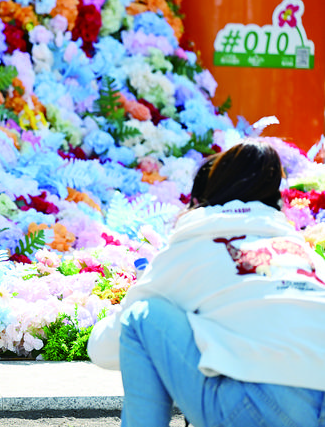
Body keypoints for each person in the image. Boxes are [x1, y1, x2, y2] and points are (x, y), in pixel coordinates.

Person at [87, 140, 325, 426]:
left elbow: (103, 349)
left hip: (257, 409)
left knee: (141, 317)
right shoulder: (302, 253)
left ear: (205, 198)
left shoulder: (200, 239)